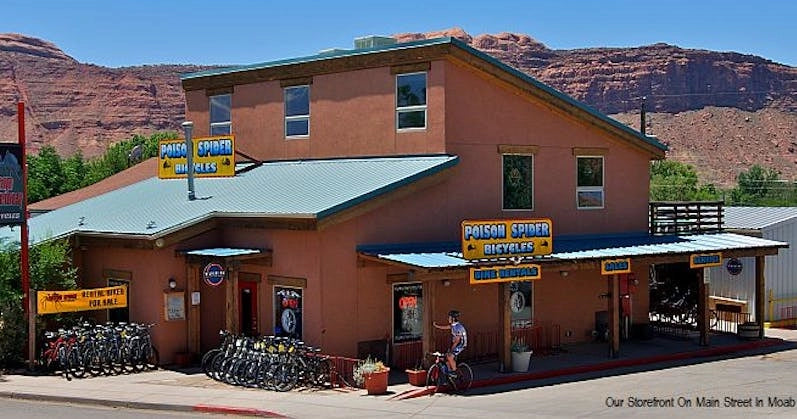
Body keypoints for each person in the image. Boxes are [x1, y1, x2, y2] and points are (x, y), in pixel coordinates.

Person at [433, 310, 467, 376]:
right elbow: (445, 327)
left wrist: (451, 350)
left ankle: (454, 372)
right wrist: (436, 326)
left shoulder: (458, 327)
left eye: (449, 317)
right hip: (455, 343)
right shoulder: (453, 326)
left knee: (450, 356)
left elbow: (457, 340)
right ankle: (449, 373)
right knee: (446, 357)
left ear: (453, 318)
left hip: (461, 344)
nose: (448, 319)